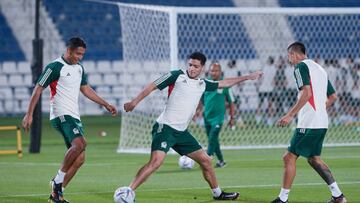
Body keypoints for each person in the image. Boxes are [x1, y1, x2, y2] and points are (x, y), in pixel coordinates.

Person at [123, 52, 262, 200]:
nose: (192, 68)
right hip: (165, 128)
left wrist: (247, 77)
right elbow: (152, 86)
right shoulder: (176, 75)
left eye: (196, 66)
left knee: (206, 161)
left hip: (182, 133)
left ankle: (218, 193)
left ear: (202, 68)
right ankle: (128, 191)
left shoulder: (203, 84)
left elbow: (225, 83)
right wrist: (134, 102)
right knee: (156, 162)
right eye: (190, 65)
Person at [22, 37, 117, 203]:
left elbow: (86, 90)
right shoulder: (54, 67)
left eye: (82, 54)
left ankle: (56, 194)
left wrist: (106, 104)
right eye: (77, 54)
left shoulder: (79, 68)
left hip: (74, 115)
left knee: (80, 159)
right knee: (80, 144)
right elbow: (37, 90)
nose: (80, 57)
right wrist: (29, 114)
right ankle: (57, 181)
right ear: (69, 50)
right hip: (60, 114)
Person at [271, 42, 346, 203]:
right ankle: (338, 195)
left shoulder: (300, 67)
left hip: (308, 123)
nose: (289, 60)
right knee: (314, 159)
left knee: (289, 157)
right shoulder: (320, 69)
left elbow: (306, 93)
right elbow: (333, 97)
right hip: (321, 121)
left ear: (293, 54)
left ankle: (283, 199)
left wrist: (290, 115)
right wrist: (319, 109)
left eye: (289, 56)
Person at [201, 62, 235, 168]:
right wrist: (198, 111)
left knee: (212, 138)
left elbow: (231, 102)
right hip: (207, 117)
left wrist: (231, 118)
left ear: (220, 72)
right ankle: (221, 161)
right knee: (213, 140)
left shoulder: (225, 85)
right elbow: (201, 99)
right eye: (212, 70)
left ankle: (207, 160)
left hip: (218, 118)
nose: (213, 73)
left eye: (216, 71)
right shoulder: (205, 84)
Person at [255, 56, 277, 125]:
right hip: (270, 89)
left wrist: (258, 85)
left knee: (260, 105)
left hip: (262, 88)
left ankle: (258, 120)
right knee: (270, 105)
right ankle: (269, 121)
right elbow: (274, 80)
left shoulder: (264, 68)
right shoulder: (274, 68)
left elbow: (260, 78)